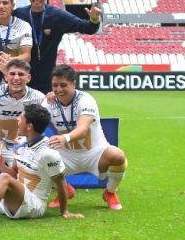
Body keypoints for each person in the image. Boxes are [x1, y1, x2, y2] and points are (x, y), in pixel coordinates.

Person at [0, 104, 83, 224]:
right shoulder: (21, 143)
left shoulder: (49, 153)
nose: (17, 120)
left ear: (29, 126)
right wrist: (1, 166)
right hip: (14, 199)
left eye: (21, 118)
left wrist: (65, 212)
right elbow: (15, 175)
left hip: (33, 206)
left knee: (5, 178)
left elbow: (61, 183)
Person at [44, 64, 127, 210]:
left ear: (74, 84)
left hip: (93, 153)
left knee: (118, 156)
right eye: (55, 85)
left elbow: (83, 128)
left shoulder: (86, 99)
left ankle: (110, 192)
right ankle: (64, 190)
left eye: (63, 85)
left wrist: (65, 138)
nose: (58, 89)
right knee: (37, 158)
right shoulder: (49, 102)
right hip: (66, 155)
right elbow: (35, 121)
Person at [13, 0, 102, 93]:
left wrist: (94, 19)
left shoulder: (58, 15)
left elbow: (87, 28)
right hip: (20, 76)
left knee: (44, 111)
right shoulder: (18, 14)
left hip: (47, 80)